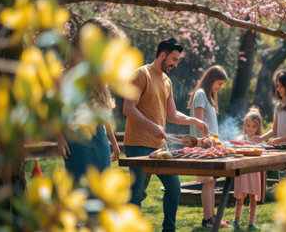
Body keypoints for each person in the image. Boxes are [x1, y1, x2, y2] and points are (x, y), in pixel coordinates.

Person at [122, 38, 209, 232]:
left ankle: (169, 229)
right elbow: (128, 108)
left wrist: (194, 120)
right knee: (137, 192)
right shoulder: (141, 74)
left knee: (174, 187)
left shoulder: (167, 81)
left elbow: (172, 115)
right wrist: (152, 125)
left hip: (160, 146)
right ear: (162, 54)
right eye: (174, 59)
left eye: (177, 60)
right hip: (138, 143)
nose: (175, 64)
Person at [57, 18, 121, 182]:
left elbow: (102, 110)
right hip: (75, 139)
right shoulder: (63, 75)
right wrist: (60, 138)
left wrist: (113, 141)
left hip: (100, 139)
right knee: (81, 188)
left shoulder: (98, 74)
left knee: (102, 188)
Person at [187, 65, 229, 228]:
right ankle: (207, 220)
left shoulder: (208, 96)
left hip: (211, 145)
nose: (220, 87)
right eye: (219, 83)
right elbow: (199, 123)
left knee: (211, 182)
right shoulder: (200, 95)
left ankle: (213, 218)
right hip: (203, 146)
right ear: (211, 79)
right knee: (207, 182)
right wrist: (207, 141)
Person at [254, 69, 286, 155]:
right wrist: (261, 138)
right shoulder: (278, 106)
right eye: (277, 86)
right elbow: (275, 131)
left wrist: (278, 140)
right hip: (281, 150)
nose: (278, 89)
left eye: (281, 86)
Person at [232, 106, 263, 231]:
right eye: (248, 126)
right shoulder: (241, 139)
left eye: (253, 126)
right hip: (242, 172)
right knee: (240, 197)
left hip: (253, 172)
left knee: (252, 197)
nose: (250, 129)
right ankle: (236, 220)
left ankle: (251, 223)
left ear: (258, 127)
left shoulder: (258, 141)